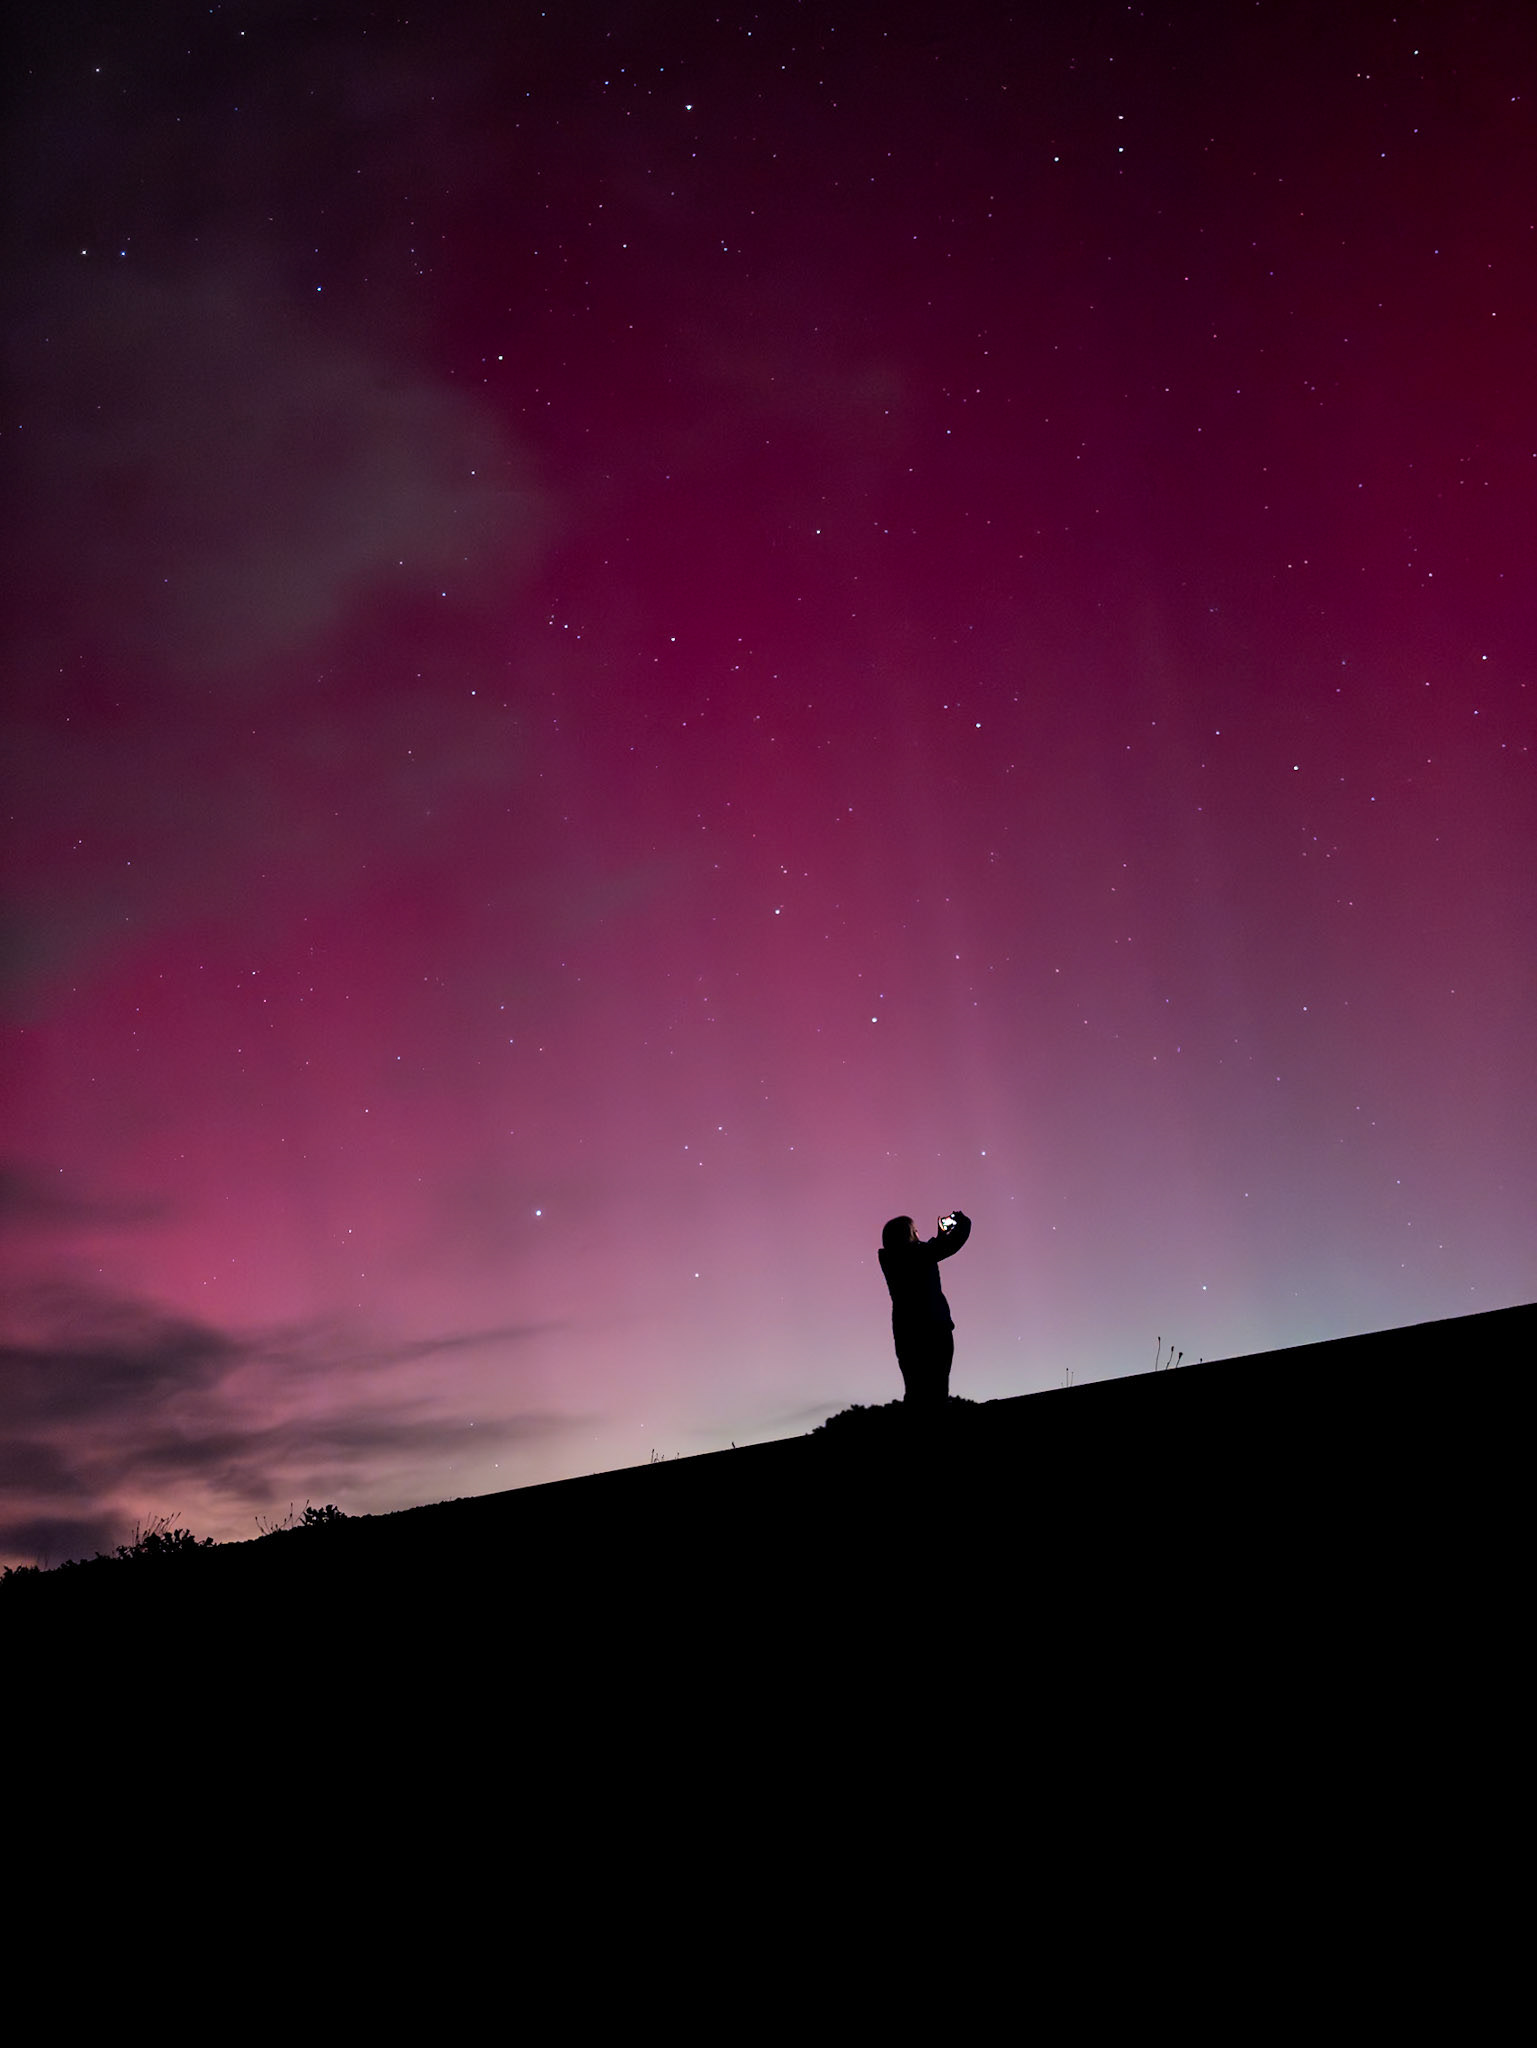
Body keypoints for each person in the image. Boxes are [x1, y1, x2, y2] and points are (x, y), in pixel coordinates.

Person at [878, 1210, 972, 1406]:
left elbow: (931, 1250)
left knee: (916, 1392)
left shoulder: (893, 1258)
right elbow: (948, 1245)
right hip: (933, 1329)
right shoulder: (916, 1255)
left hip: (907, 1333)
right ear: (907, 1234)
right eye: (915, 1231)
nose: (918, 1234)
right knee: (936, 1392)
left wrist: (938, 1238)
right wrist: (962, 1221)